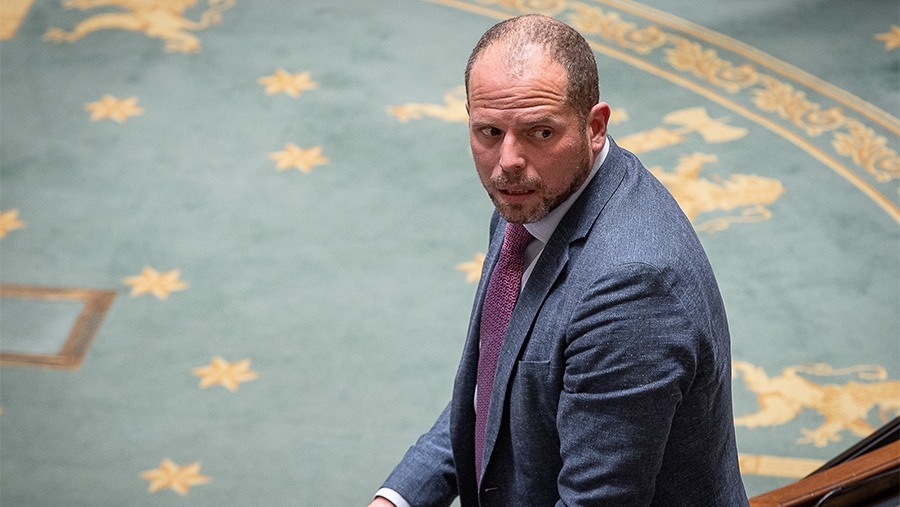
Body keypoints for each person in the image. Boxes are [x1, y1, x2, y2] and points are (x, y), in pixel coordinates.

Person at [369, 14, 749, 507]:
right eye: (489, 131)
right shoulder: (534, 195)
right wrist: (397, 498)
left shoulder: (633, 288)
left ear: (595, 127)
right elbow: (498, 386)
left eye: (541, 133)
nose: (507, 161)